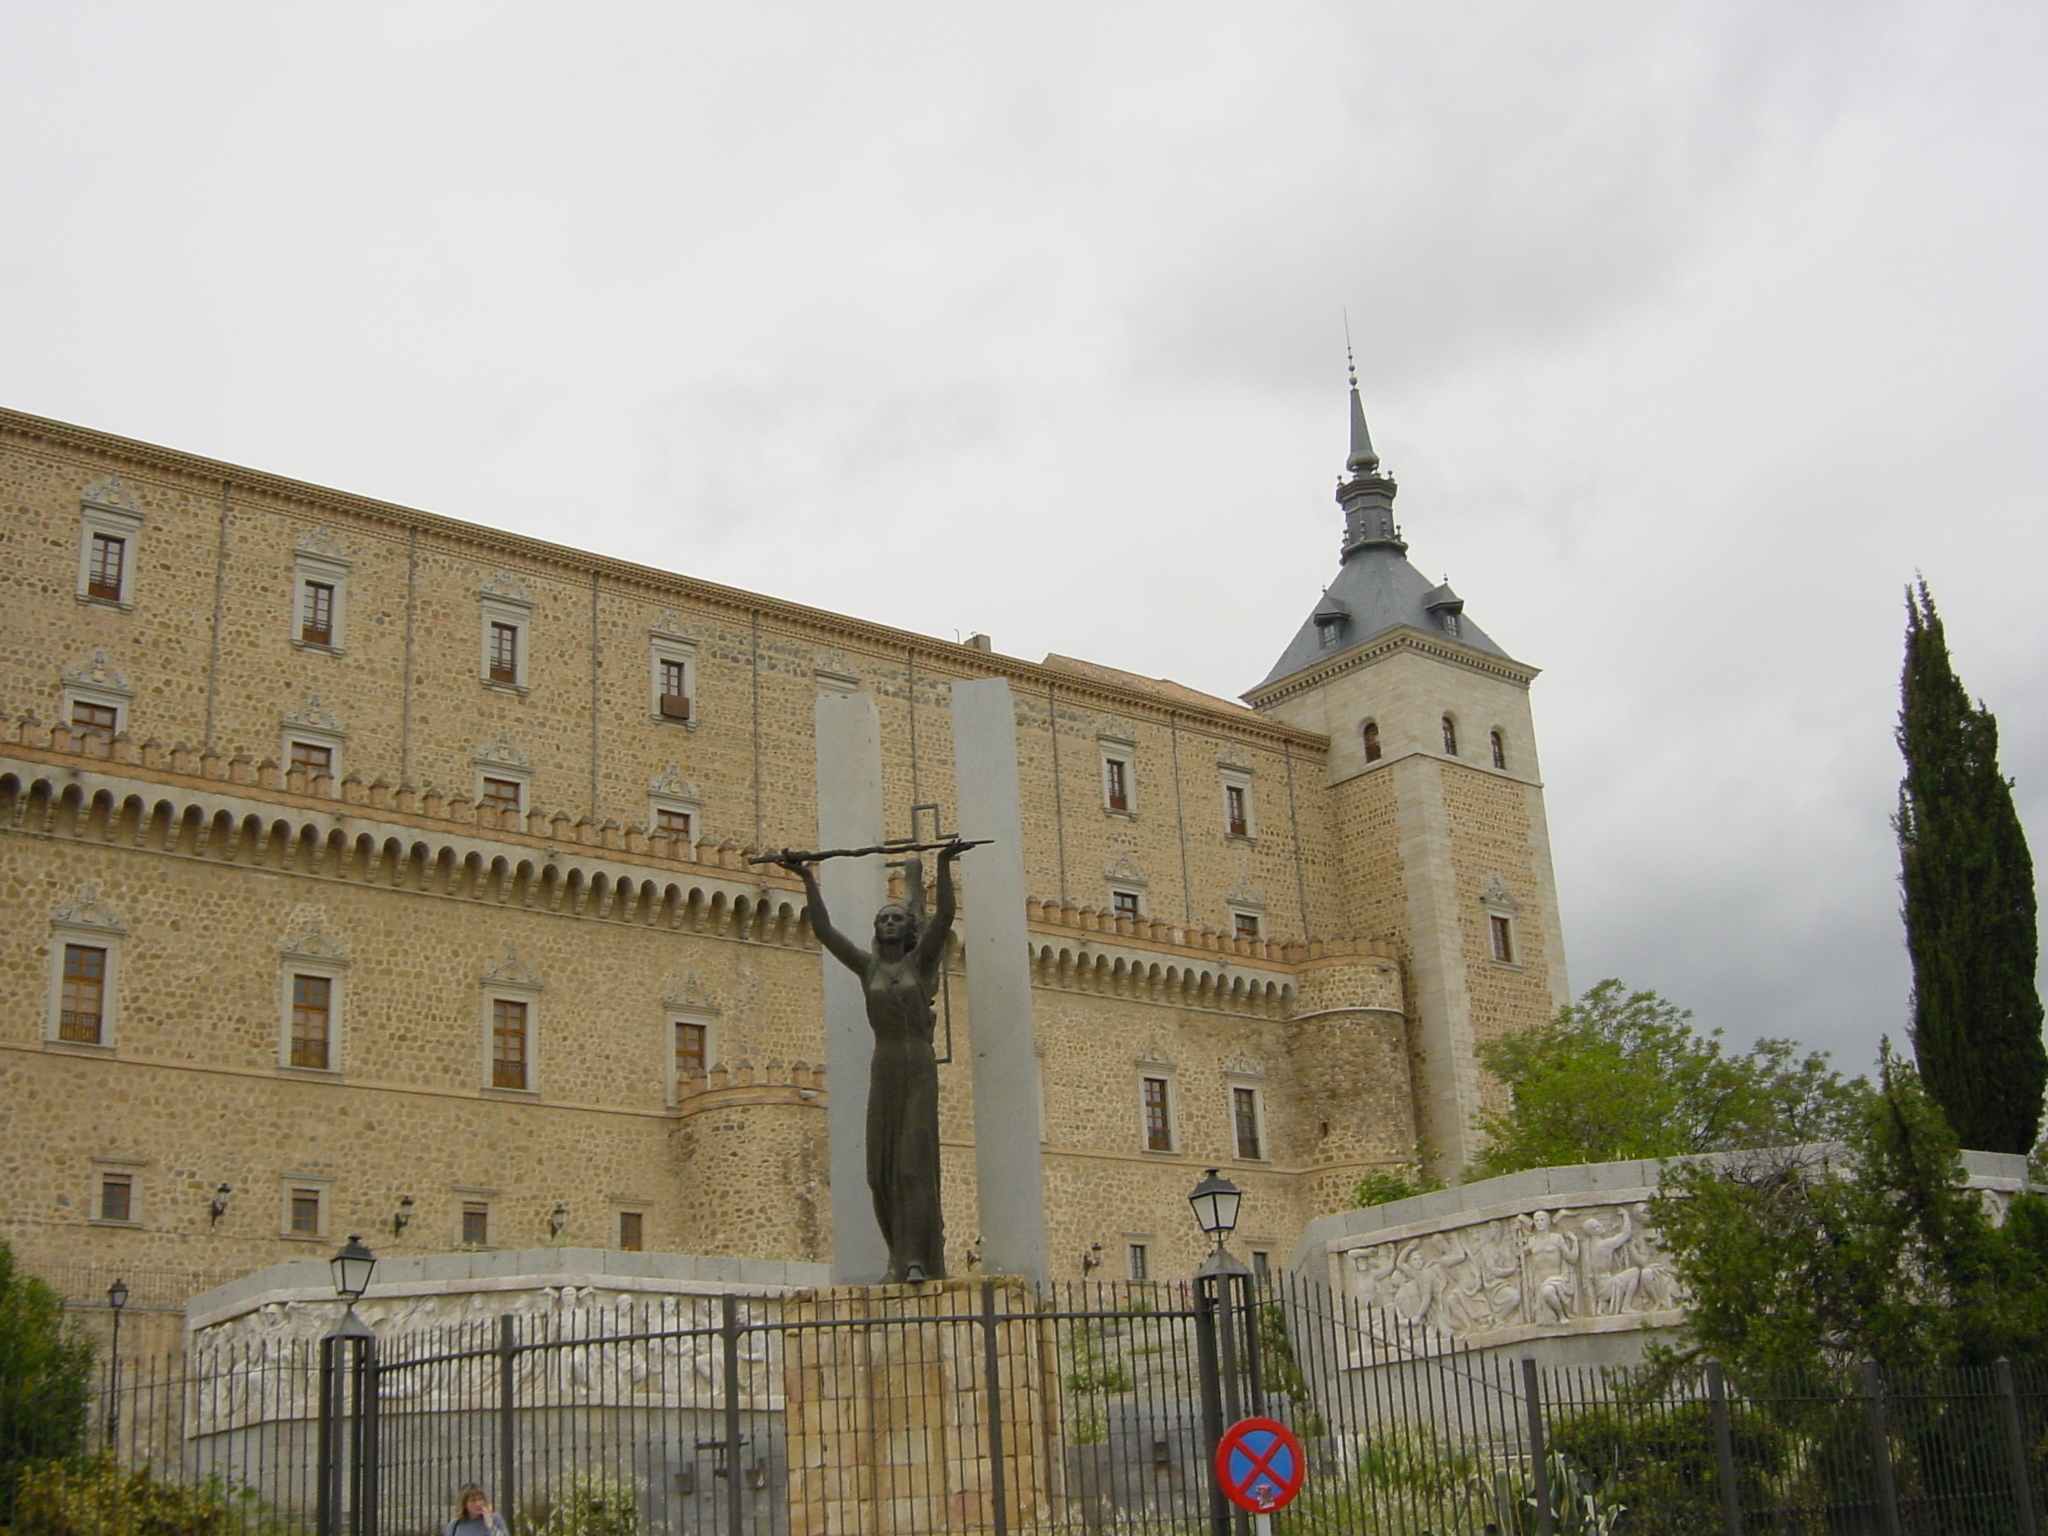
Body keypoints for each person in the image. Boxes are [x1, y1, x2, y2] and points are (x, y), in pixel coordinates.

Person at [777, 841, 970, 1284]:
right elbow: (825, 932)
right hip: (884, 1068)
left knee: (912, 1167)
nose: (887, 924)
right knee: (878, 1171)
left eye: (896, 919)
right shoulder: (867, 969)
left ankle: (919, 1260)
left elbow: (942, 919)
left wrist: (942, 864)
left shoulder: (921, 964)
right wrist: (806, 877)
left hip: (918, 1066)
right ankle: (898, 1258)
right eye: (882, 919)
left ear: (908, 930)